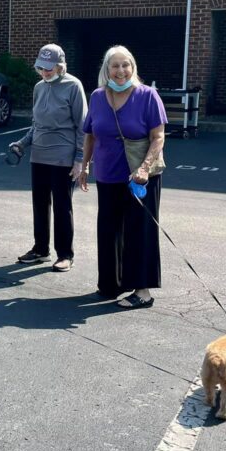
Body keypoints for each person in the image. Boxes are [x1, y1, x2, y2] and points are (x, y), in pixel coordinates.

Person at [79, 45, 167, 309]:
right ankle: (111, 284)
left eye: (126, 64)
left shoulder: (148, 96)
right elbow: (90, 134)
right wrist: (84, 166)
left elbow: (158, 137)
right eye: (115, 66)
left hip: (138, 177)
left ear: (133, 67)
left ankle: (143, 291)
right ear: (106, 70)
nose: (121, 71)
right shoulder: (96, 96)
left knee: (140, 232)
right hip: (107, 175)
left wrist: (144, 168)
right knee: (108, 231)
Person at [10, 43, 87, 272]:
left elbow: (83, 125)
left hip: (63, 155)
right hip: (39, 154)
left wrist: (80, 158)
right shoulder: (39, 87)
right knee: (39, 204)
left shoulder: (74, 85)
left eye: (49, 68)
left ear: (60, 66)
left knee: (62, 206)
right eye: (41, 68)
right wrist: (22, 144)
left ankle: (65, 254)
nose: (45, 72)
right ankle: (40, 250)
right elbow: (37, 124)